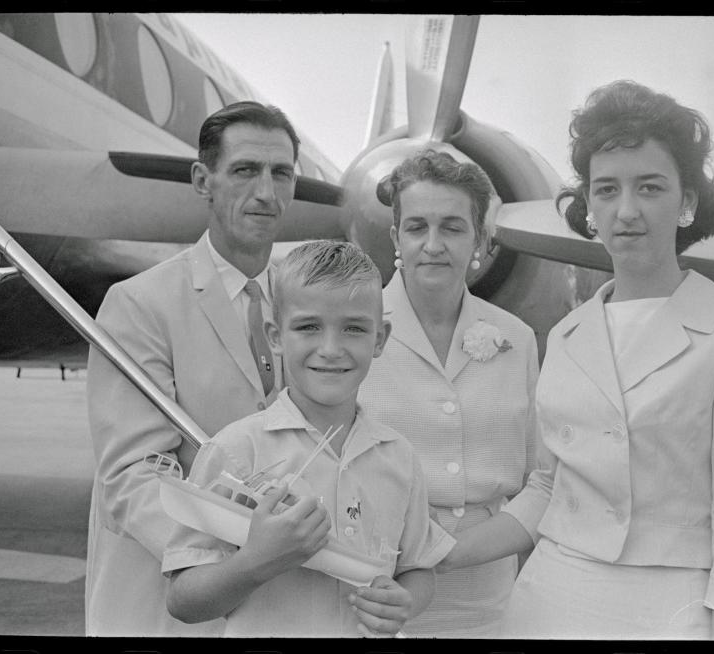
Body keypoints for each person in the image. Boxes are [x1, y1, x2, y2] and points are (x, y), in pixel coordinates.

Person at [446, 80, 714, 639]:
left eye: (650, 187)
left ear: (686, 203)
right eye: (606, 190)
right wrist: (441, 552)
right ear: (589, 210)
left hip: (672, 609)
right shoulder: (564, 335)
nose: (626, 210)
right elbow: (548, 489)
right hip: (547, 604)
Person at [161, 240, 455, 637]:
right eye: (308, 327)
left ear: (380, 338)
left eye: (353, 328)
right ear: (276, 336)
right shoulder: (235, 451)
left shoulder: (399, 458)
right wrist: (256, 561)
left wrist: (403, 601)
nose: (331, 349)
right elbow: (183, 600)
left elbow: (418, 569)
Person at [85, 101, 300, 636]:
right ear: (203, 180)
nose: (267, 193)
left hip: (283, 602)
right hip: (169, 601)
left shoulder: (307, 305)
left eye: (282, 173)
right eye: (246, 170)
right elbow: (132, 477)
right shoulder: (139, 302)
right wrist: (235, 561)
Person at [357, 149, 539, 637]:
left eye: (453, 227)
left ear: (480, 238)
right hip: (378, 591)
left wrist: (464, 551)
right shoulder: (355, 332)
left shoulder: (516, 338)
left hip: (490, 596)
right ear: (396, 236)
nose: (433, 244)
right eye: (417, 227)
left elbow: (541, 481)